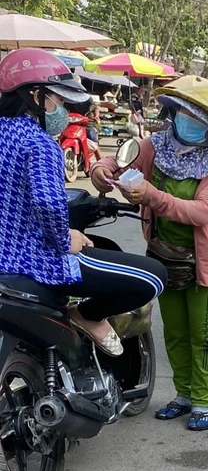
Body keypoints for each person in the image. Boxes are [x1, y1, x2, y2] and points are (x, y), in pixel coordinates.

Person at [0, 48, 166, 357]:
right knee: (154, 276)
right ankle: (87, 315)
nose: (62, 110)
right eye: (60, 101)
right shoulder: (39, 143)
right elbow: (48, 205)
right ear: (36, 96)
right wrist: (66, 240)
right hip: (34, 260)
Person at [92, 82, 208, 431]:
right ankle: (183, 395)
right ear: (173, 112)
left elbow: (201, 212)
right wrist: (101, 168)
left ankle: (202, 401)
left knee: (205, 336)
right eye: (184, 112)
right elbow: (121, 160)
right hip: (163, 257)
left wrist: (151, 195)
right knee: (173, 331)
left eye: (198, 118)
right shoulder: (155, 146)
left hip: (205, 265)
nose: (188, 121)